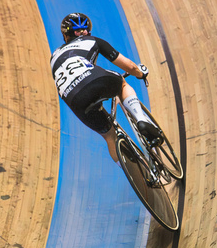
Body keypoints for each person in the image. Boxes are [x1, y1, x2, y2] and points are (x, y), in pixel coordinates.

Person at [50, 12, 162, 162]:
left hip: (74, 99)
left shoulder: (54, 56)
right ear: (87, 32)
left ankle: (128, 170)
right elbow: (129, 66)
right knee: (122, 83)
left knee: (109, 136)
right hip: (94, 80)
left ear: (65, 36)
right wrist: (140, 74)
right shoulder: (92, 40)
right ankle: (141, 119)